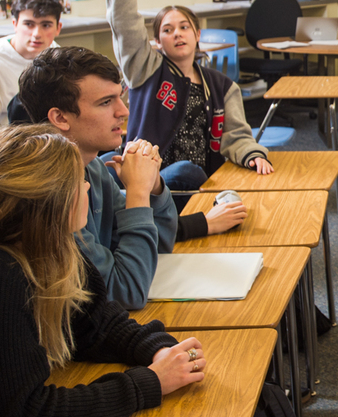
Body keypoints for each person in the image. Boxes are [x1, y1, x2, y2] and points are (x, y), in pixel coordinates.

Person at [0, 124, 209, 417]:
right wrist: (147, 383)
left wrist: (156, 349)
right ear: (48, 203)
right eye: (78, 182)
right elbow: (28, 412)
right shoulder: (2, 276)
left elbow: (95, 323)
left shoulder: (53, 250)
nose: (87, 187)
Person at [19, 46, 245, 308]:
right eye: (105, 102)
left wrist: (154, 186)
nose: (123, 111)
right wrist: (138, 192)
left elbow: (157, 248)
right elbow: (125, 292)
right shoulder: (52, 194)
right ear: (60, 117)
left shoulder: (91, 168)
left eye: (119, 97)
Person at [96, 0, 272, 199]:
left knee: (218, 189)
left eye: (184, 27)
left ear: (197, 34)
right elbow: (124, 19)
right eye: (167, 29)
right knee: (184, 171)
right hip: (149, 184)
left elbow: (236, 135)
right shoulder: (145, 71)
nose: (177, 34)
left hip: (205, 183)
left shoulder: (221, 86)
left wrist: (252, 154)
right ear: (157, 41)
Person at [0, 0, 63, 135]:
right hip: (4, 148)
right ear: (15, 24)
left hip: (47, 143)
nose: (36, 34)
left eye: (46, 25)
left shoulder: (56, 55)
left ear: (58, 28)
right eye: (29, 24)